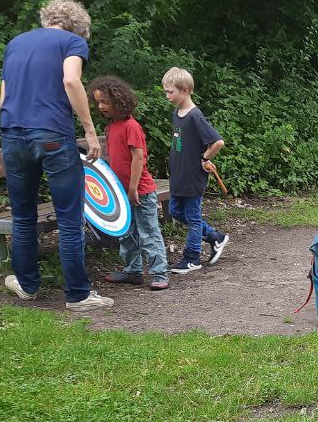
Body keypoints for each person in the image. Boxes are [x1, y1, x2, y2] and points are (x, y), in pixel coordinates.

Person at [0, 0, 113, 311]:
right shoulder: (72, 42)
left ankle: (27, 285)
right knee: (70, 218)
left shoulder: (15, 44)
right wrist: (90, 131)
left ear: (47, 19)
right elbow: (71, 80)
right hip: (52, 134)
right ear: (78, 27)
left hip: (12, 133)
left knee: (23, 215)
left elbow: (4, 98)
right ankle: (78, 295)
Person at [89, 76, 169, 291]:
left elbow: (138, 158)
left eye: (106, 101)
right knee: (126, 233)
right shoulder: (111, 127)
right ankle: (133, 271)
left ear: (119, 101)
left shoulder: (131, 126)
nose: (101, 106)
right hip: (120, 192)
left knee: (148, 232)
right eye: (98, 102)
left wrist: (133, 188)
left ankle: (159, 273)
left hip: (140, 191)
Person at [161, 67, 230, 274]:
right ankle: (214, 236)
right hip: (178, 175)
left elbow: (217, 142)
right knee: (175, 211)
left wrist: (205, 158)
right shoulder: (177, 113)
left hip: (192, 176)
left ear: (185, 90)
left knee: (192, 218)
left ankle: (192, 258)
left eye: (170, 92)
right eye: (166, 92)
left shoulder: (195, 116)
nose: (167, 96)